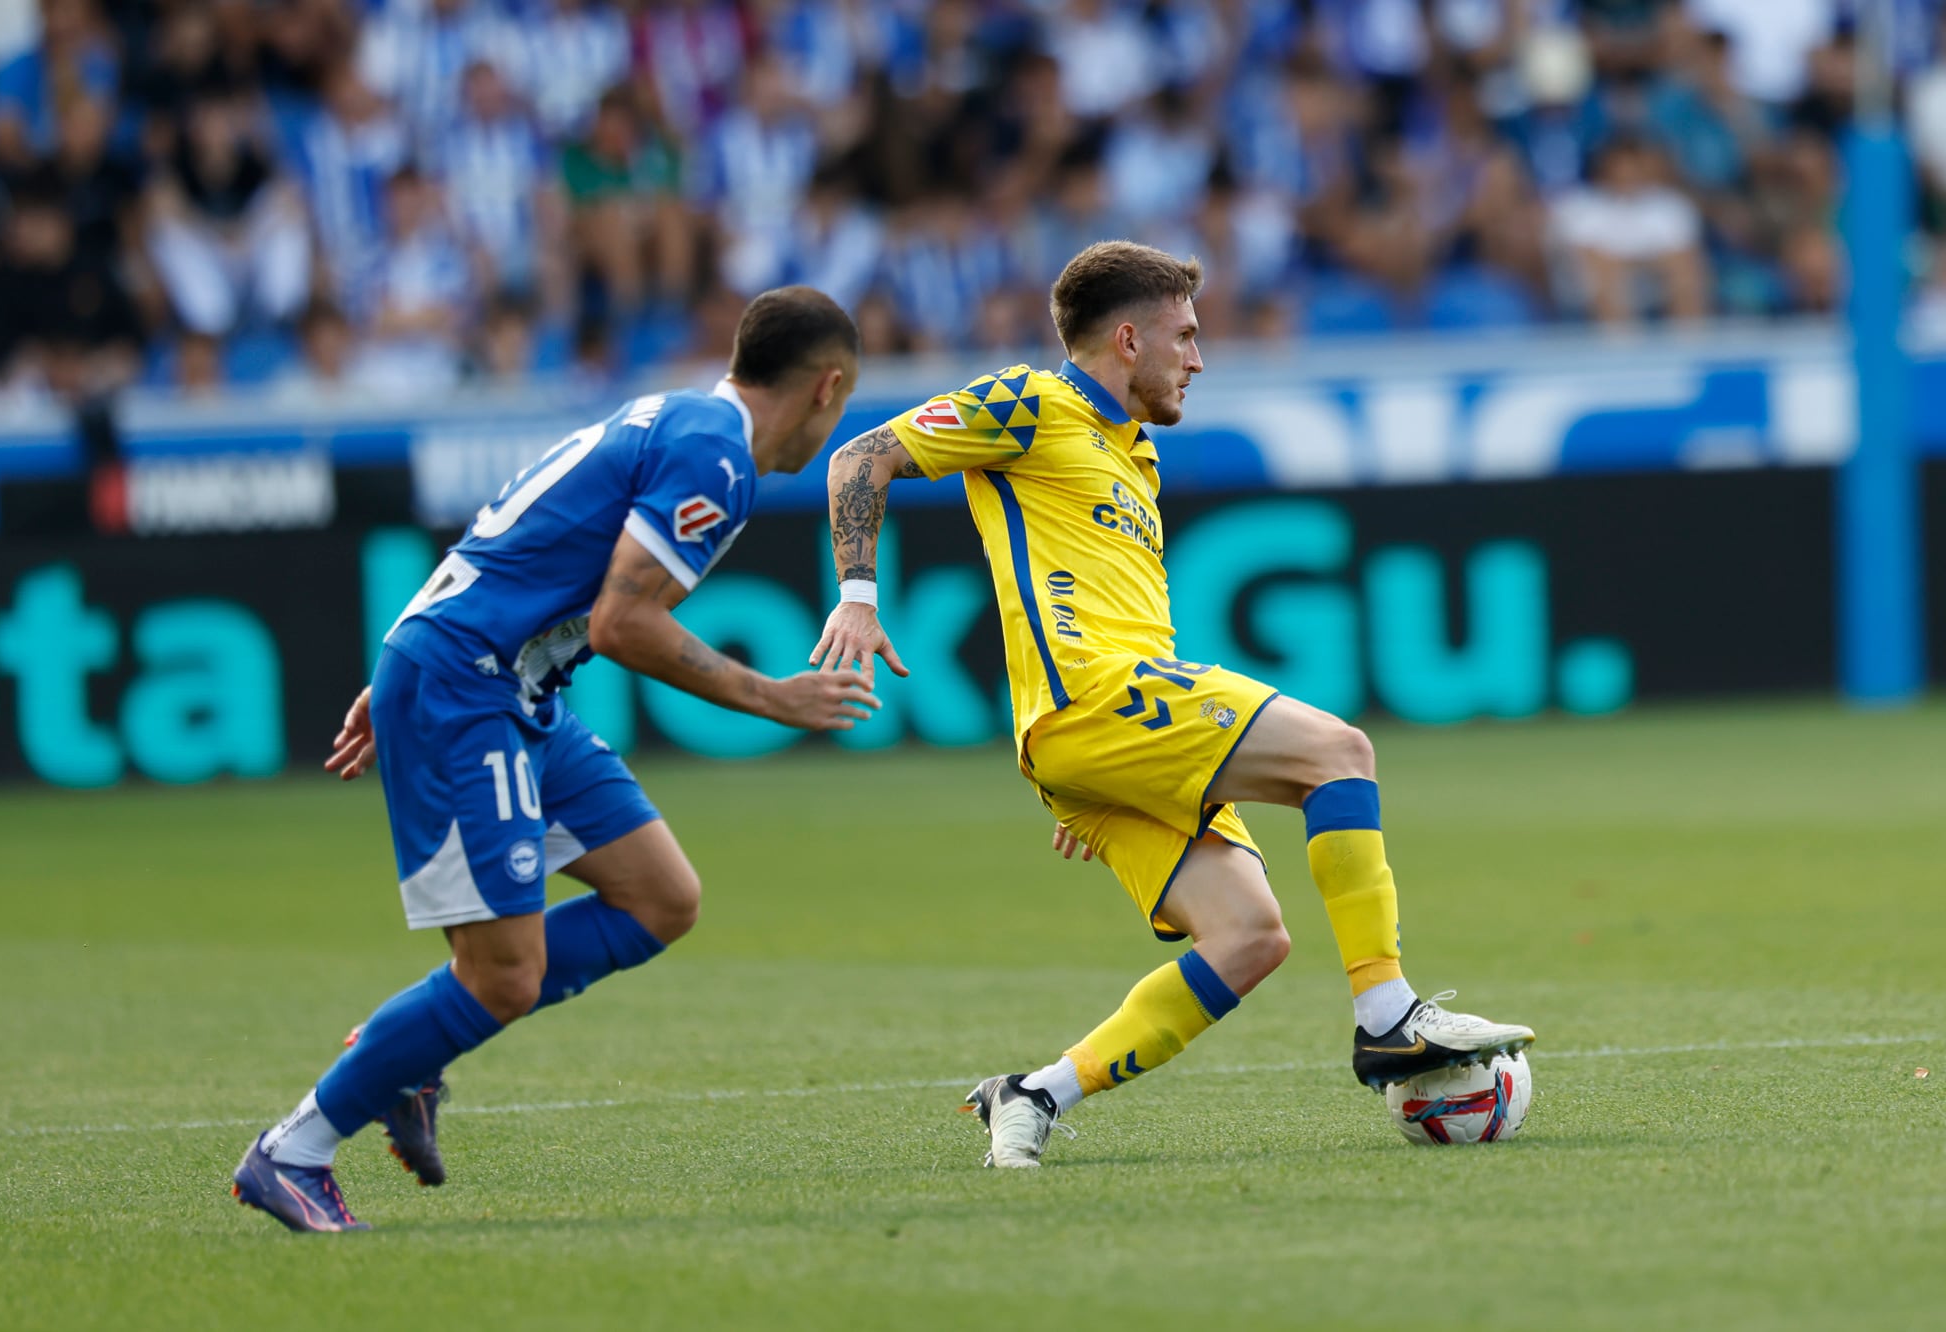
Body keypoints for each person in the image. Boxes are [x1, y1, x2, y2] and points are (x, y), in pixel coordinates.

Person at [811, 241, 1534, 1169]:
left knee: (1249, 938)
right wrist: (858, 596)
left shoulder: (1133, 455)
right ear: (1125, 339)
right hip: (1092, 700)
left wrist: (1107, 777)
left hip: (1103, 735)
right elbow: (858, 458)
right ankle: (1388, 1015)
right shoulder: (1033, 403)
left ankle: (1032, 1094)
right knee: (1340, 753)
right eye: (1185, 336)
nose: (1198, 358)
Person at [232, 287, 878, 1230]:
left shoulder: (675, 414)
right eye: (846, 405)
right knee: (502, 976)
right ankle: (293, 1151)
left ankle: (410, 1052)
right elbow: (622, 623)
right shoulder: (717, 457)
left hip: (505, 681)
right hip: (468, 690)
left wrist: (413, 642)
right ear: (827, 387)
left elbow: (515, 527)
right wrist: (769, 697)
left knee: (662, 899)